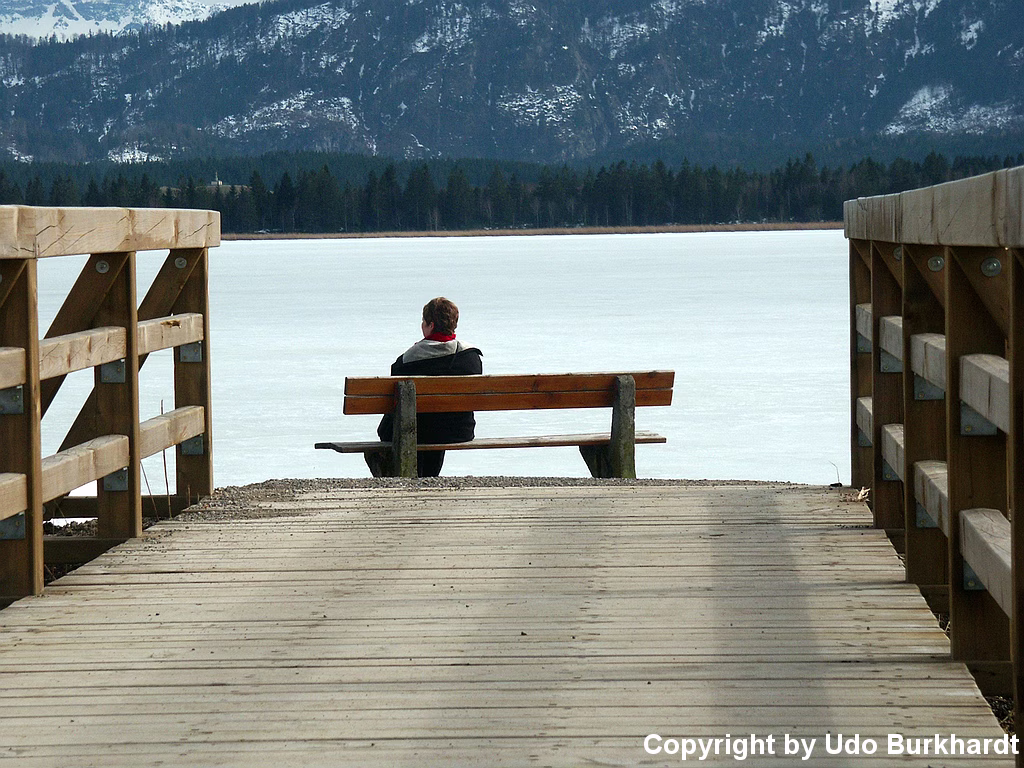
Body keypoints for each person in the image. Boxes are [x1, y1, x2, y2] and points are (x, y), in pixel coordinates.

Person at [374, 297, 483, 477]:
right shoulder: (471, 358)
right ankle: (429, 477)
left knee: (417, 422)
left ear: (430, 325)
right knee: (436, 421)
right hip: (459, 431)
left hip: (416, 431)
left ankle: (413, 476)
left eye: (423, 322)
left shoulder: (407, 361)